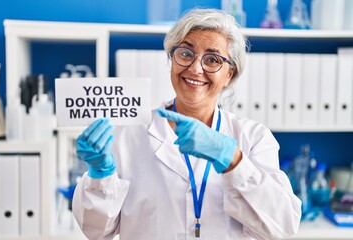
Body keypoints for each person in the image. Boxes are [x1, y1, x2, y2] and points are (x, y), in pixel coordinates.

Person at [72, 8, 302, 240]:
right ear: (172, 59)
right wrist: (101, 175)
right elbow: (96, 231)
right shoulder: (127, 134)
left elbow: (282, 226)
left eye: (212, 59)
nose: (195, 68)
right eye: (185, 53)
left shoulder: (253, 138)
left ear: (229, 74)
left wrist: (233, 160)